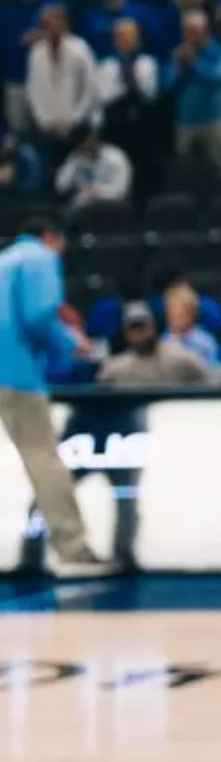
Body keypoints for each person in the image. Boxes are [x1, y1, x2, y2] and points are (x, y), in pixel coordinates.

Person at [0, 215, 111, 575]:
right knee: (43, 459)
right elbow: (38, 316)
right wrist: (72, 344)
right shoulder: (39, 258)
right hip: (13, 374)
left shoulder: (4, 261)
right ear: (51, 237)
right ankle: (73, 549)